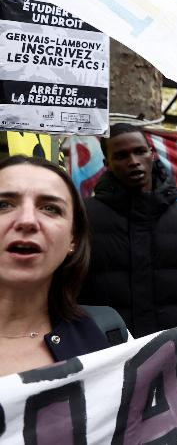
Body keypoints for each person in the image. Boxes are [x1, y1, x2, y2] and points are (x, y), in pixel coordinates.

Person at [78, 123, 177, 338]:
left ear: (152, 153)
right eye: (121, 156)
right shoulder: (84, 216)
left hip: (174, 349)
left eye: (140, 151)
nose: (133, 162)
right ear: (107, 164)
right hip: (105, 353)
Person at [0, 156, 126, 377]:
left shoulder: (107, 333)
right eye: (4, 205)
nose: (27, 220)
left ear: (73, 239)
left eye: (50, 208)